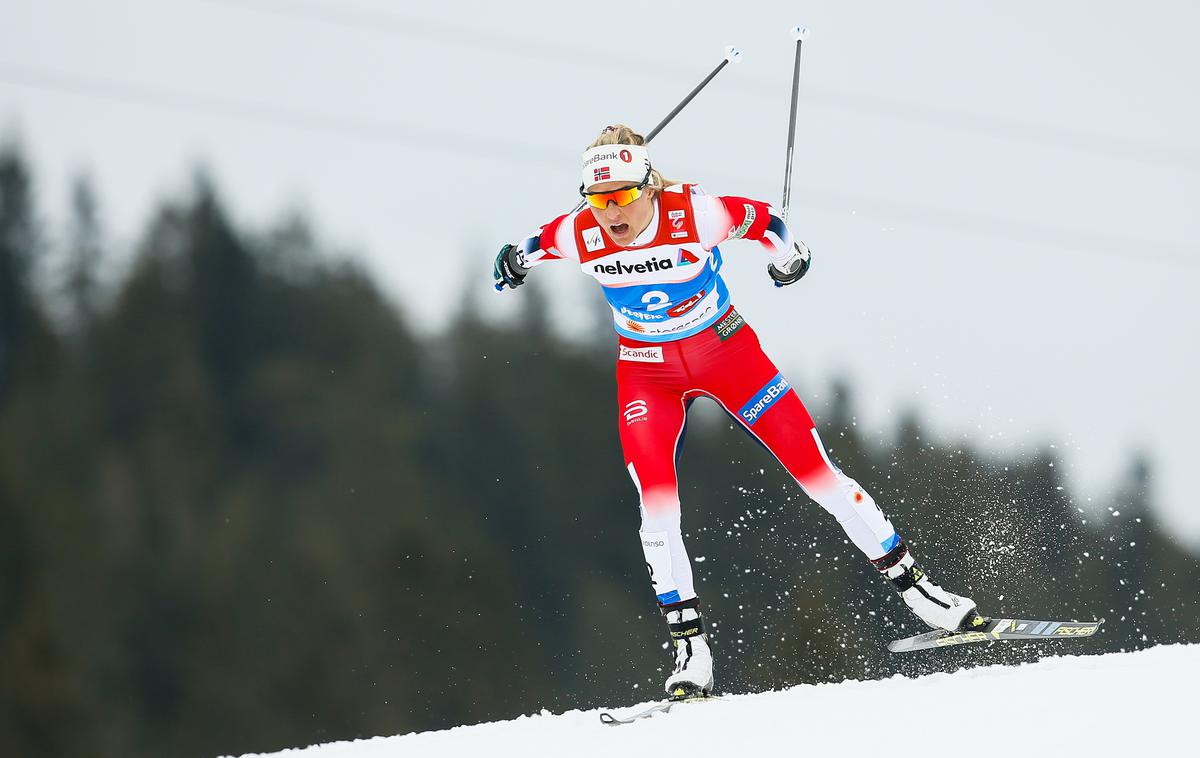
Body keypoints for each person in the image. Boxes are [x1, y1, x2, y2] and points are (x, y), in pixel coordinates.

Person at [493, 124, 977, 701]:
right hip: (646, 370)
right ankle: (690, 654)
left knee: (817, 475)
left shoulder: (694, 214)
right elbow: (528, 247)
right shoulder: (578, 232)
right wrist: (512, 264)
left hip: (724, 352)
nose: (610, 214)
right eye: (598, 199)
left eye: (622, 196)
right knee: (657, 507)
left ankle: (922, 595)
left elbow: (769, 221)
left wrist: (789, 260)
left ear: (648, 186)